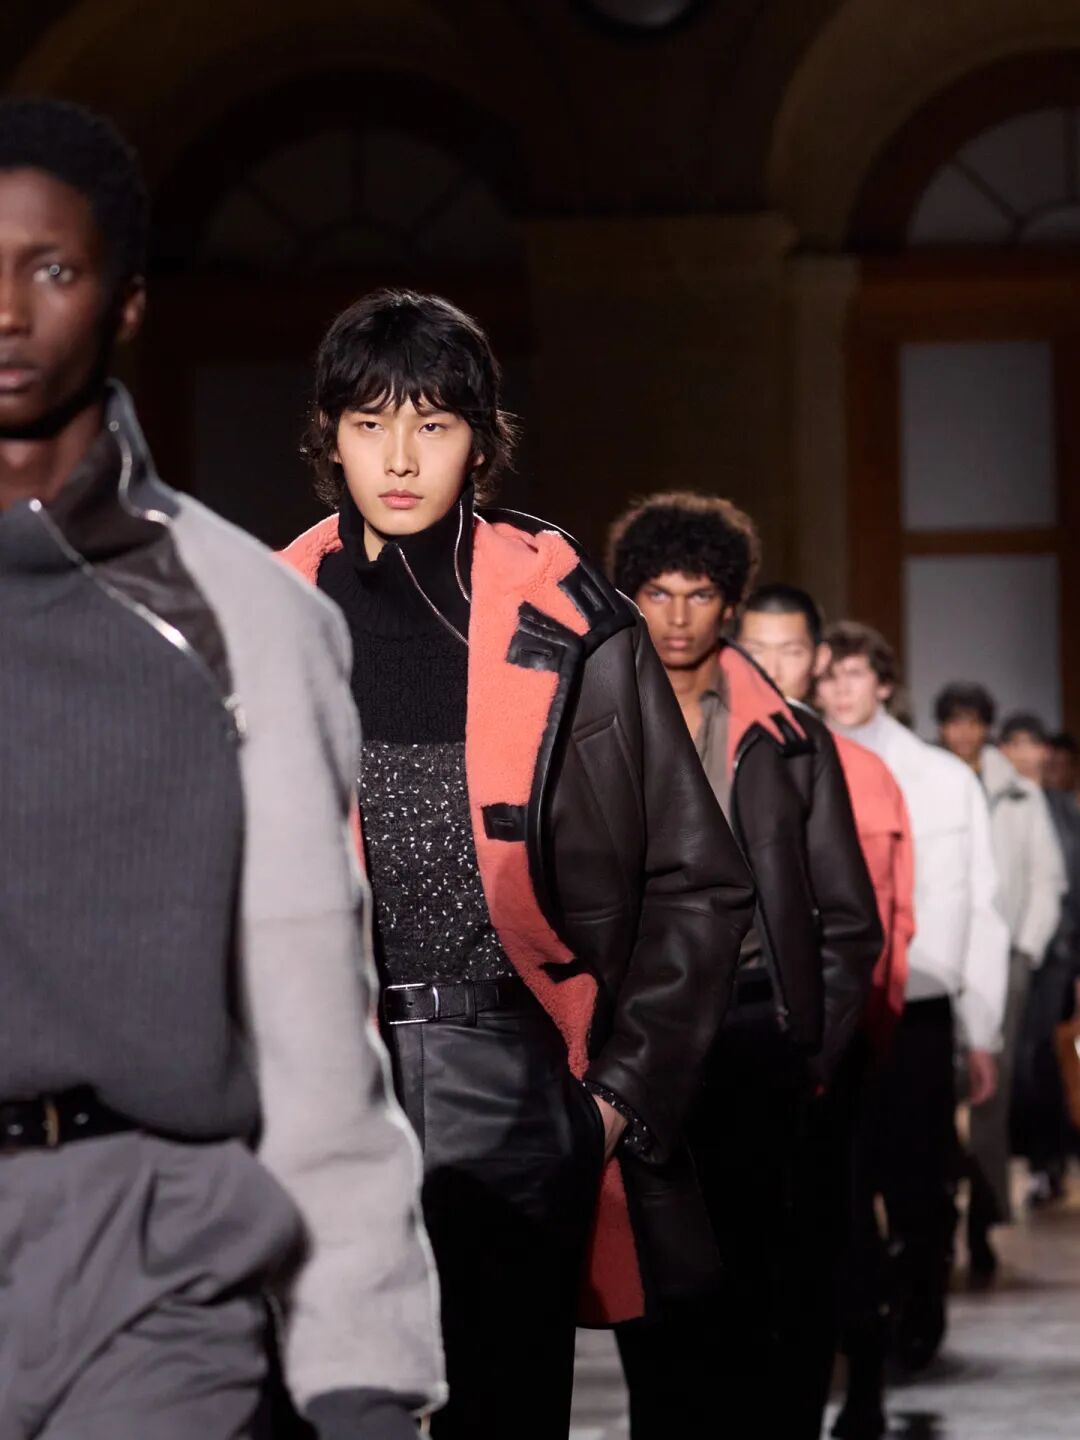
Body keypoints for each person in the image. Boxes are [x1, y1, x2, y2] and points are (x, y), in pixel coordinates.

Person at [0, 99, 443, 1440]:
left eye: (52, 268)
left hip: (155, 1261)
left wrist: (363, 1369)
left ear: (127, 302)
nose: (7, 312)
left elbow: (311, 1011)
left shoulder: (243, 613)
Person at [280, 295, 755, 1440]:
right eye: (370, 424)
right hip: (322, 1083)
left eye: (434, 425)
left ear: (482, 442)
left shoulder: (577, 624)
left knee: (503, 1413)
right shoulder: (266, 617)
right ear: (330, 435)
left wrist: (617, 1099)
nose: (400, 459)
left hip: (514, 1074)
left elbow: (698, 878)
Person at [604, 496, 882, 1440]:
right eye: (657, 592)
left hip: (761, 1024)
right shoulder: (592, 722)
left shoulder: (790, 737)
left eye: (700, 594)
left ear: (730, 603)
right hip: (643, 1031)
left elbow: (850, 919)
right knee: (657, 1283)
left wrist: (811, 1047)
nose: (678, 615)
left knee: (771, 1276)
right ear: (630, 598)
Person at [817, 624, 1009, 1433]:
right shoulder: (793, 759)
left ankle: (919, 1304)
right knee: (842, 1175)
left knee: (920, 1179)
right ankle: (865, 1324)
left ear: (884, 683)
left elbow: (982, 903)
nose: (839, 688)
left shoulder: (941, 777)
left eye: (854, 673)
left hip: (923, 996)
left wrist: (982, 1026)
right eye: (828, 674)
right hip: (833, 999)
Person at [739, 584, 916, 1437]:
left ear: (816, 658)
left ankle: (859, 1384)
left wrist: (846, 1041)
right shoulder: (702, 743)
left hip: (831, 1042)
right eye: (759, 649)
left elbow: (879, 918)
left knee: (833, 1229)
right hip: (734, 1039)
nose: (774, 667)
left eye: (790, 651)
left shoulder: (858, 769)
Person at [935, 684, 1064, 1279]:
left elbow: (1047, 878)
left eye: (972, 722)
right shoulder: (930, 780)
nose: (963, 733)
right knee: (935, 1089)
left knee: (993, 1092)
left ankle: (983, 1220)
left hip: (1003, 956)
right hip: (939, 954)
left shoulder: (1019, 792)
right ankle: (936, 1215)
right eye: (952, 722)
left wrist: (1024, 950)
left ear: (986, 726)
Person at [998, 714, 1080, 1205]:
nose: (1025, 754)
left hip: (1058, 956)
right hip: (1017, 953)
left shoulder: (1062, 809)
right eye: (1014, 744)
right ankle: (1039, 1159)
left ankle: (1048, 1159)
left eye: (1032, 745)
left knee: (1043, 1056)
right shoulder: (1002, 800)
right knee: (1025, 1059)